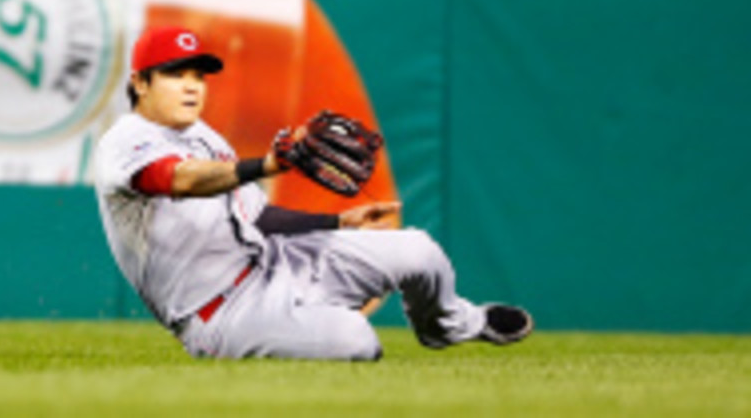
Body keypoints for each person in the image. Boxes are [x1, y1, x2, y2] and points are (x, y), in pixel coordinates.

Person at [93, 24, 533, 360]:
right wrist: (265, 164)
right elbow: (177, 180)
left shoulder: (204, 136)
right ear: (140, 83)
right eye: (174, 74)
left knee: (418, 251)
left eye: (199, 75)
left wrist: (336, 222)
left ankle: (451, 325)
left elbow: (258, 218)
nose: (191, 85)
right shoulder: (124, 141)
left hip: (275, 263)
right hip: (220, 314)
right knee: (356, 339)